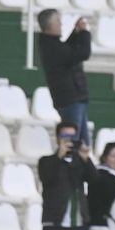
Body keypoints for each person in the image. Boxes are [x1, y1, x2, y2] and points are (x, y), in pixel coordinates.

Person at [37, 8, 91, 140]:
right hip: (70, 100)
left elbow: (67, 51)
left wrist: (75, 32)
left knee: (82, 144)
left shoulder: (50, 44)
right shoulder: (52, 48)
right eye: (58, 21)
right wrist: (84, 33)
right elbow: (82, 53)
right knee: (74, 142)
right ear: (50, 25)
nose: (61, 24)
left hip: (73, 99)